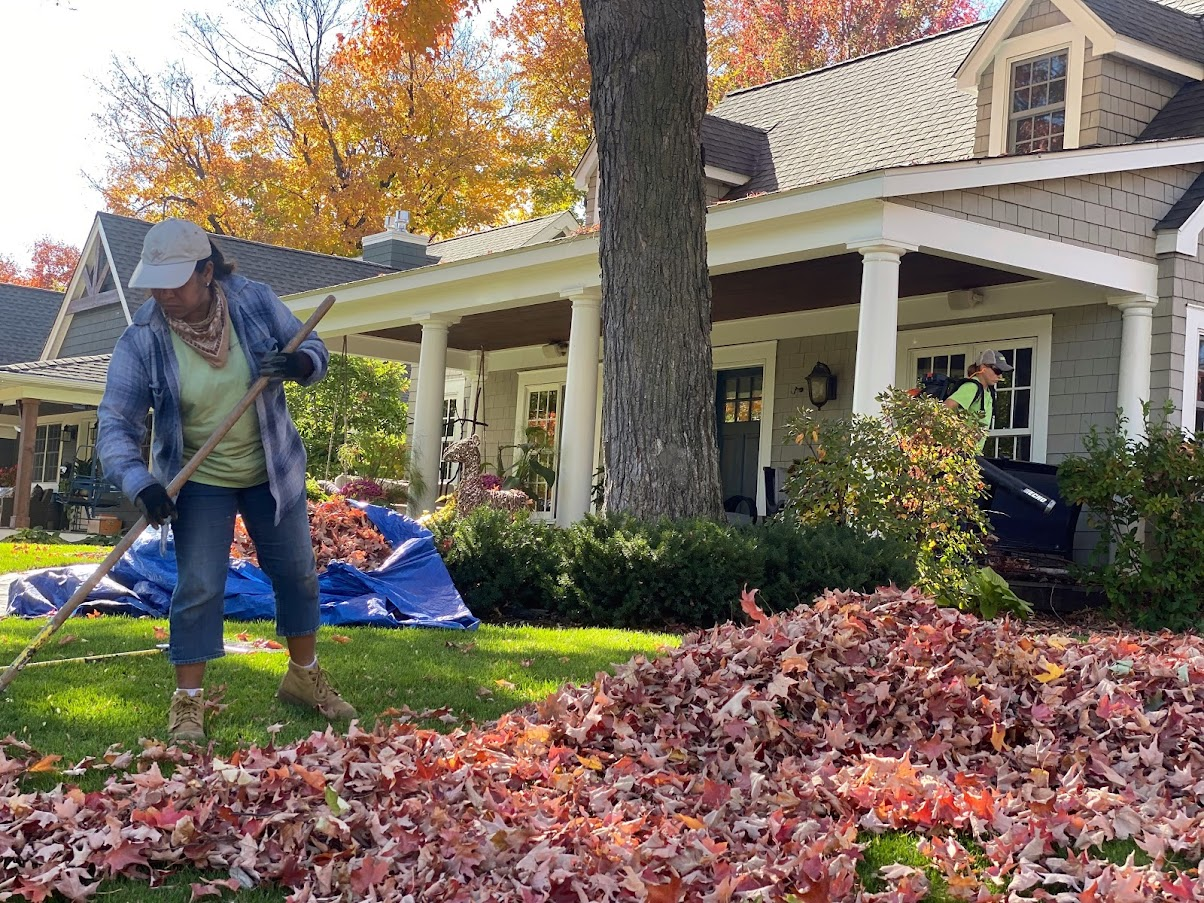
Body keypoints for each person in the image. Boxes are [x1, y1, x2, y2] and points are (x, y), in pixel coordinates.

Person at [97, 218, 355, 743]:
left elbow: (317, 350)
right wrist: (140, 483)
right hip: (198, 479)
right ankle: (188, 701)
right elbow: (115, 426)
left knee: (298, 574)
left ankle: (304, 677)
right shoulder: (142, 338)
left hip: (270, 469)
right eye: (155, 283)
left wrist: (298, 363)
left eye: (176, 282)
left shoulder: (253, 302)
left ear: (207, 272)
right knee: (199, 584)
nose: (163, 294)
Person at [944, 350, 1013, 452]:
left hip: (972, 456)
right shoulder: (972, 387)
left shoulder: (989, 392)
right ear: (983, 368)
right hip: (959, 454)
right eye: (997, 371)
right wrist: (965, 432)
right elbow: (945, 408)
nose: (1000, 376)